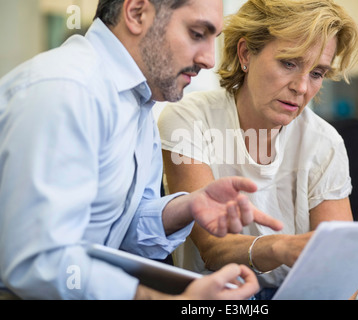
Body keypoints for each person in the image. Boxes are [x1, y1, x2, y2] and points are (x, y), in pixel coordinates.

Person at [0, 0, 283, 300]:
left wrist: (186, 208)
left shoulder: (138, 104)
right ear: (136, 13)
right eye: (197, 33)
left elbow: (122, 232)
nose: (208, 60)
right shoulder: (67, 91)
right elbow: (36, 262)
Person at [158, 0, 358, 299]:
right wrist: (280, 247)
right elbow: (212, 250)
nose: (302, 87)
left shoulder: (325, 142)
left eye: (317, 73)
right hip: (218, 295)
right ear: (245, 53)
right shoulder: (188, 120)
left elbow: (342, 278)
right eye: (289, 63)